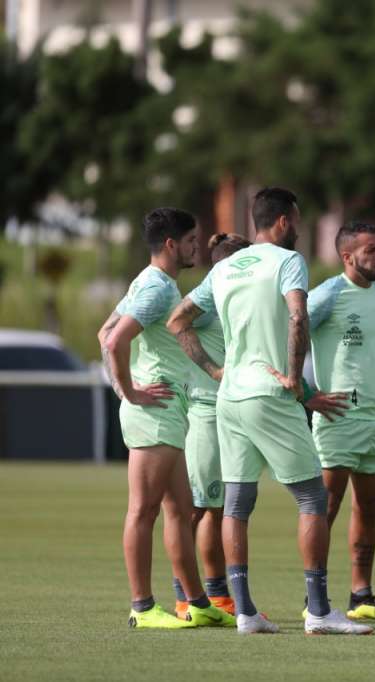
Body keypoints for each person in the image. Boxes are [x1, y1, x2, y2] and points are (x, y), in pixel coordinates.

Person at [166, 187, 368, 635]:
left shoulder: (226, 268)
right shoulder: (288, 262)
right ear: (282, 221)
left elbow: (177, 320)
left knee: (236, 504)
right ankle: (318, 611)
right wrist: (295, 378)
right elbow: (298, 317)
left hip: (231, 397)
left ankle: (244, 612)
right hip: (269, 394)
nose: (298, 227)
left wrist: (217, 371)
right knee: (312, 498)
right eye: (296, 220)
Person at [98, 208, 234, 629]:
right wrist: (131, 391)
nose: (198, 246)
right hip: (154, 410)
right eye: (193, 240)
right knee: (144, 511)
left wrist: (126, 388)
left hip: (168, 411)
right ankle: (142, 608)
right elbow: (116, 340)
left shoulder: (150, 281)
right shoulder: (157, 288)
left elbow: (104, 332)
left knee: (179, 510)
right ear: (172, 244)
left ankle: (197, 602)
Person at [307, 221, 375, 621]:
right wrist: (306, 394)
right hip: (338, 415)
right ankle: (316, 597)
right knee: (325, 506)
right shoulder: (327, 294)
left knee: (370, 506)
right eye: (371, 250)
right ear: (348, 257)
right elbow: (287, 332)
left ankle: (361, 593)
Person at [171, 233, 251, 620]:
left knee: (214, 507)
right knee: (202, 508)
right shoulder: (210, 299)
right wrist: (210, 370)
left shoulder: (235, 301)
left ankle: (206, 594)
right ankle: (198, 596)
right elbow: (176, 325)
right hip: (204, 410)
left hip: (228, 412)